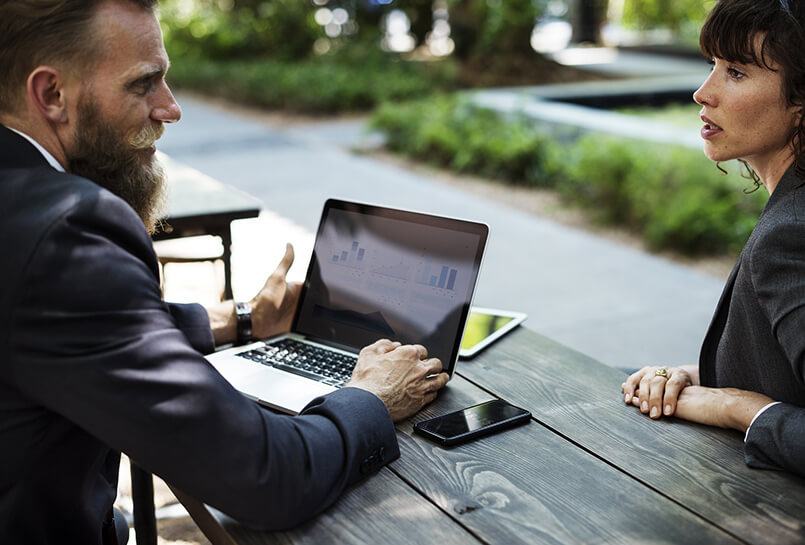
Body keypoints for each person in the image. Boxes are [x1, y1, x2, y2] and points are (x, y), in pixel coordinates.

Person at [0, 1, 450, 543]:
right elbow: (267, 476)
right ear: (51, 94)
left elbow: (65, 327)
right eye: (143, 84)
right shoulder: (68, 231)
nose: (170, 108)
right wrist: (372, 396)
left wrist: (242, 319)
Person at [621, 0, 805, 478]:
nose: (703, 93)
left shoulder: (789, 235)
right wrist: (689, 375)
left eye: (736, 72)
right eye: (713, 65)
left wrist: (736, 408)